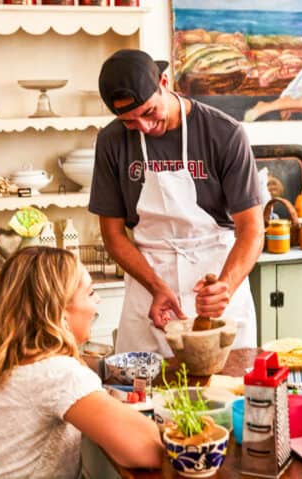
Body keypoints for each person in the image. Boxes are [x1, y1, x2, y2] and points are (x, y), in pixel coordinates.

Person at [89, 49, 264, 356]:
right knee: (144, 394)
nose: (143, 127)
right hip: (149, 285)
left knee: (228, 389)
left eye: (148, 112)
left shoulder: (224, 134)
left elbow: (252, 229)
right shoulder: (111, 141)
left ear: (164, 82)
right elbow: (113, 235)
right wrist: (156, 287)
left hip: (214, 277)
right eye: (129, 121)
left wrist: (225, 287)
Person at [0, 247, 163, 478]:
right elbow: (148, 448)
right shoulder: (58, 373)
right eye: (91, 293)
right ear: (60, 312)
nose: (98, 300)